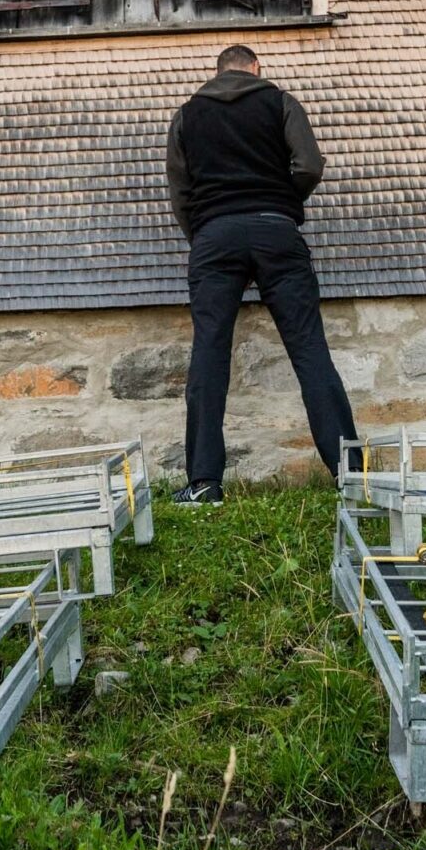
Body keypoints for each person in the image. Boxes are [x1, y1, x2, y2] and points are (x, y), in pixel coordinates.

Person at [163, 45, 358, 506]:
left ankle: (205, 483)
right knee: (310, 350)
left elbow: (180, 189)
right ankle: (351, 476)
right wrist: (279, 200)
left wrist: (205, 233)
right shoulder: (281, 102)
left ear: (216, 73)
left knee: (209, 355)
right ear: (256, 69)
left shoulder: (188, 116)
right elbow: (309, 165)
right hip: (277, 233)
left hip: (214, 237)